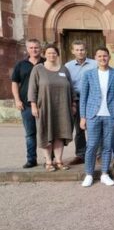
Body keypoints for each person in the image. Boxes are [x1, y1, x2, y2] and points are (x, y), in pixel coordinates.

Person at [79, 47, 114, 187]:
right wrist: (83, 117)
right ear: (95, 57)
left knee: (107, 146)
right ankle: (89, 174)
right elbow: (84, 97)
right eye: (99, 56)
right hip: (93, 115)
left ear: (109, 57)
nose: (102, 58)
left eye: (105, 56)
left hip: (110, 115)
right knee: (92, 145)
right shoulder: (88, 74)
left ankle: (105, 173)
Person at [27, 45, 74, 172]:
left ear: (57, 54)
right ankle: (48, 161)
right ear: (44, 54)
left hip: (63, 107)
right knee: (45, 132)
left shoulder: (64, 69)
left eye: (54, 53)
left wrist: (73, 104)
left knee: (60, 133)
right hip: (45, 107)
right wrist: (33, 105)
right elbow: (32, 88)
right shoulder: (38, 69)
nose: (51, 55)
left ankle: (58, 160)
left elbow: (71, 88)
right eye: (49, 53)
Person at [11, 38, 44, 168]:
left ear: (40, 48)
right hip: (26, 105)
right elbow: (14, 83)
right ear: (27, 49)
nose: (34, 50)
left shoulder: (46, 63)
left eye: (36, 47)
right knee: (30, 134)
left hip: (44, 104)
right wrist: (17, 100)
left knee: (47, 133)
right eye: (31, 47)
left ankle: (50, 159)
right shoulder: (21, 65)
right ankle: (31, 159)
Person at [64, 40, 96, 166]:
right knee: (80, 128)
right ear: (73, 51)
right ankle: (81, 154)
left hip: (92, 99)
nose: (80, 52)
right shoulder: (68, 66)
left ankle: (96, 153)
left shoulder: (94, 64)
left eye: (82, 49)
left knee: (95, 127)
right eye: (77, 50)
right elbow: (66, 84)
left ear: (86, 50)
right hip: (76, 99)